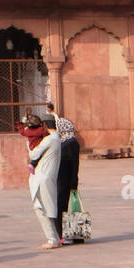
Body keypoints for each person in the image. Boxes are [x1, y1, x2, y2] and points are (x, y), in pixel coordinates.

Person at [26, 116, 62, 248]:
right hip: (44, 177)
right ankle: (55, 238)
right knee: (44, 207)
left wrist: (28, 143)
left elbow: (34, 154)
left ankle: (52, 239)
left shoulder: (51, 139)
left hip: (43, 178)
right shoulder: (53, 138)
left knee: (41, 208)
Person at [48, 102, 80, 242]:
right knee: (59, 206)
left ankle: (63, 235)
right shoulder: (63, 141)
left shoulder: (71, 143)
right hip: (61, 179)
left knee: (62, 207)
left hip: (66, 180)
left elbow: (74, 164)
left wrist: (74, 181)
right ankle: (61, 234)